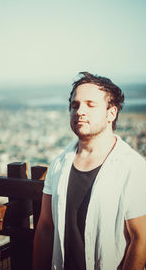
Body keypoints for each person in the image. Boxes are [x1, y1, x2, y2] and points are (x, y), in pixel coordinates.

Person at [32, 72, 146, 270]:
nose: (79, 111)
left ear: (111, 113)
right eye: (75, 105)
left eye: (90, 105)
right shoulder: (59, 164)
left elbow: (141, 239)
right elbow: (45, 227)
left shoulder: (131, 167)